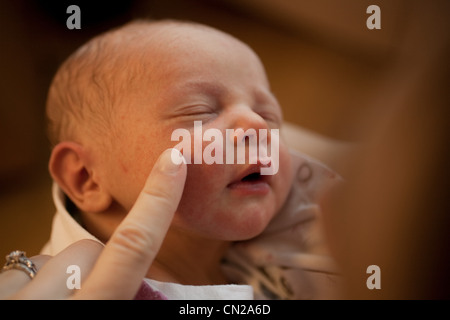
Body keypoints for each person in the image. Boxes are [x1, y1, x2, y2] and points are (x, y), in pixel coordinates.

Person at [0, 19, 342, 299]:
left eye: (268, 114)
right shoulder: (77, 285)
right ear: (87, 177)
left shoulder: (288, 227)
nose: (256, 125)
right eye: (200, 111)